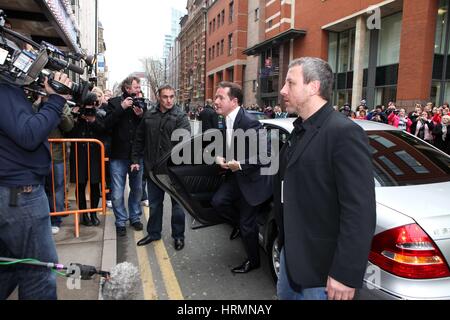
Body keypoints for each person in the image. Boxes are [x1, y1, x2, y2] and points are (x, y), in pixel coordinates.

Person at [276, 57, 376, 300]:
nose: (282, 90)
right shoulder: (298, 130)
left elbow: (359, 211)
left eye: (290, 83)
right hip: (291, 259)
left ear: (313, 87)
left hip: (323, 272)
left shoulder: (343, 132)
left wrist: (345, 272)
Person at [0, 72, 72, 300]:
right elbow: (29, 134)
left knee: (10, 265)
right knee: (39, 272)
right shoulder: (4, 89)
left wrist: (42, 105)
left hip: (12, 193)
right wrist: (57, 101)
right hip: (20, 195)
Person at [211, 82, 272, 274]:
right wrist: (219, 157)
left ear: (234, 101)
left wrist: (240, 164)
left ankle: (253, 261)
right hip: (236, 177)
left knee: (248, 226)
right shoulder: (224, 119)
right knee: (218, 202)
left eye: (221, 98)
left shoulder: (249, 122)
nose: (216, 101)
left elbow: (266, 154)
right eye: (216, 97)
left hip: (253, 180)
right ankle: (238, 224)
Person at [132, 85, 191, 251]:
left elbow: (185, 143)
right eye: (165, 97)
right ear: (159, 97)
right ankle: (153, 233)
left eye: (172, 96)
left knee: (178, 206)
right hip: (153, 169)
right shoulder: (149, 115)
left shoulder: (181, 116)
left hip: (174, 171)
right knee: (155, 204)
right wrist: (135, 159)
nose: (169, 100)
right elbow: (139, 138)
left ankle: (178, 236)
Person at [103, 76, 145, 237]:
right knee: (117, 192)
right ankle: (120, 221)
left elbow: (145, 127)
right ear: (127, 88)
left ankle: (134, 217)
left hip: (136, 155)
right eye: (136, 86)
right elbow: (106, 125)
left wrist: (141, 114)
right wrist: (121, 107)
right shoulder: (113, 103)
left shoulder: (141, 103)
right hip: (118, 155)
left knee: (137, 189)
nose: (139, 88)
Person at [32, 95, 74, 235]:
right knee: (40, 188)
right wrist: (37, 104)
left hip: (56, 154)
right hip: (37, 154)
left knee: (57, 187)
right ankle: (43, 218)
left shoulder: (62, 104)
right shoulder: (34, 102)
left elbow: (68, 126)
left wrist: (58, 107)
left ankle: (56, 219)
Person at [68, 93, 107, 227]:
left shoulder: (100, 115)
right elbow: (68, 132)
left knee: (95, 184)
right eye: (86, 107)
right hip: (79, 154)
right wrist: (76, 117)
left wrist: (93, 120)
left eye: (92, 106)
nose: (89, 110)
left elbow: (104, 130)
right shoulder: (77, 115)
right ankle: (84, 214)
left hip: (95, 154)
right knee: (80, 184)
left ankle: (94, 213)